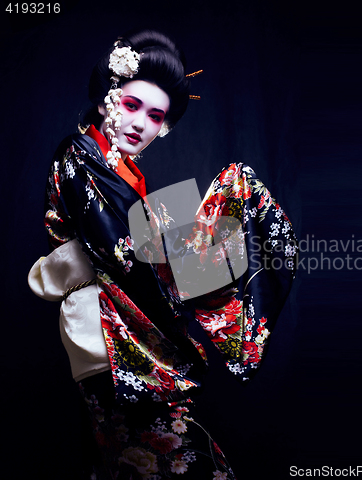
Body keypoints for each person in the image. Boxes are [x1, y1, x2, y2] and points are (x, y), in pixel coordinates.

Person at [28, 29, 297, 479]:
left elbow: (141, 254)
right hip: (107, 342)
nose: (141, 124)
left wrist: (198, 256)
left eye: (156, 116)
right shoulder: (78, 153)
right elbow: (119, 253)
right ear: (105, 101)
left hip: (126, 334)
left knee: (123, 467)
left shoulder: (131, 176)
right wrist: (197, 265)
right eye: (132, 105)